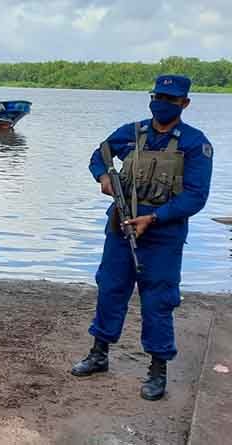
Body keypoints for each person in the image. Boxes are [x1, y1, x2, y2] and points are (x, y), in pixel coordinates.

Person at [72, 75, 213, 401]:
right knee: (110, 288)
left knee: (159, 299)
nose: (162, 103)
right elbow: (100, 154)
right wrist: (104, 176)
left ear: (184, 104)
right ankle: (99, 353)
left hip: (163, 234)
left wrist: (154, 218)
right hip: (121, 228)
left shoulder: (195, 143)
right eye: (158, 96)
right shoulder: (132, 133)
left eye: (170, 99)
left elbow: (196, 196)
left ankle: (158, 368)